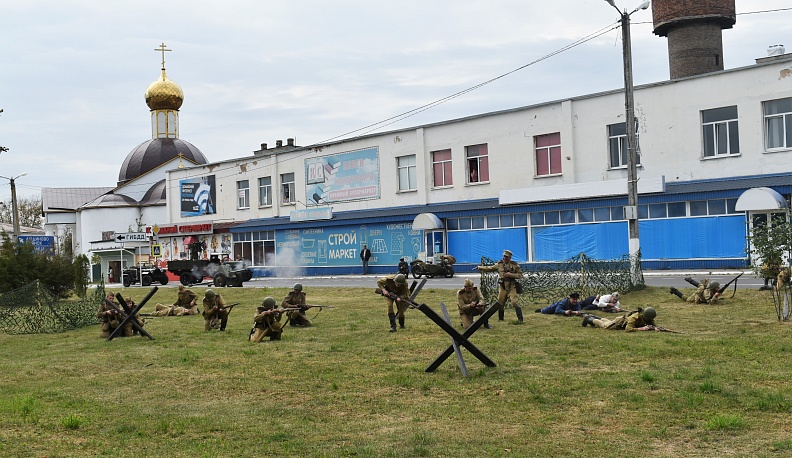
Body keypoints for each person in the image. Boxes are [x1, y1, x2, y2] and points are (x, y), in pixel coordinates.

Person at [474, 249, 524, 322]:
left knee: (514, 302)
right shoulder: (499, 264)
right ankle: (501, 318)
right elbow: (490, 268)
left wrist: (511, 275)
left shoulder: (515, 265)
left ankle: (520, 319)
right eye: (504, 256)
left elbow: (520, 275)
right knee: (500, 303)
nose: (504, 258)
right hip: (503, 286)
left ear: (510, 258)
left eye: (506, 257)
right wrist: (480, 267)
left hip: (512, 286)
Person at [582, 307, 658, 332]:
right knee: (604, 325)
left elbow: (653, 325)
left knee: (608, 321)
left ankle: (593, 316)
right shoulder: (634, 317)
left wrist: (655, 328)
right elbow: (628, 329)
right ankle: (588, 318)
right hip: (619, 323)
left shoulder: (648, 317)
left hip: (620, 320)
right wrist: (642, 329)